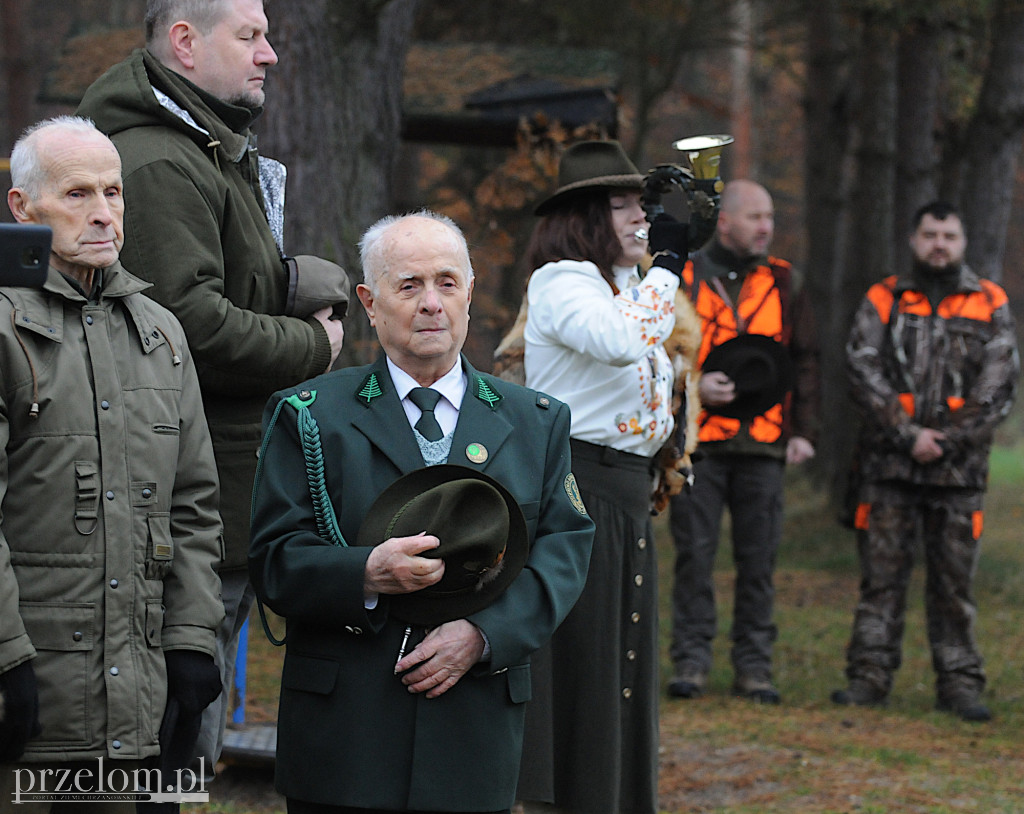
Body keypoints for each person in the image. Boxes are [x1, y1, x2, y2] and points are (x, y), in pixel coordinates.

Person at [248, 211, 595, 814]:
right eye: (409, 286)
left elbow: (563, 554)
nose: (431, 304)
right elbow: (273, 559)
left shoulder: (536, 420)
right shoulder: (310, 414)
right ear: (370, 302)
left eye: (447, 283)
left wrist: (486, 635)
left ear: (470, 294)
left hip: (474, 729)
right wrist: (364, 573)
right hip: (347, 735)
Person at [77, 0, 348, 768]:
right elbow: (189, 328)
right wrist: (312, 341)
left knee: (183, 735)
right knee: (167, 742)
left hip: (211, 498)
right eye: (251, 36)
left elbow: (208, 289)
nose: (270, 56)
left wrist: (282, 279)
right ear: (186, 43)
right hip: (181, 509)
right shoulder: (161, 160)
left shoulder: (203, 150)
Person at [0, 117, 223, 809]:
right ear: (22, 206)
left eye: (114, 192)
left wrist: (191, 644)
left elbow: (193, 506)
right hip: (34, 691)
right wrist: (5, 658)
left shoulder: (162, 333)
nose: (103, 213)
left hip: (144, 693)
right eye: (77, 194)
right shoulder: (4, 329)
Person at [515, 140, 696, 814]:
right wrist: (670, 265)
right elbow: (623, 341)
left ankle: (614, 795)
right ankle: (571, 797)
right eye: (621, 206)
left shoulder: (622, 286)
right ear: (585, 217)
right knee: (588, 662)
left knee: (623, 659)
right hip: (578, 490)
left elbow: (653, 360)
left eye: (641, 206)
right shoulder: (560, 281)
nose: (639, 220)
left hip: (623, 493)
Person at [831, 200, 1019, 722]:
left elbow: (999, 384)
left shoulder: (989, 300)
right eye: (931, 234)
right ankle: (868, 678)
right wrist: (908, 434)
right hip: (890, 469)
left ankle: (960, 685)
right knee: (881, 583)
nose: (940, 243)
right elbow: (860, 367)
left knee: (954, 586)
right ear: (914, 240)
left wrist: (948, 441)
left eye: (949, 235)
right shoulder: (884, 297)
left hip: (959, 476)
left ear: (963, 243)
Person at [666, 179, 820, 705]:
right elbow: (657, 351)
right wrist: (694, 385)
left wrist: (803, 432)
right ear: (725, 221)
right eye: (756, 217)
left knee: (759, 562)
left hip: (765, 447)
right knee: (695, 557)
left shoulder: (783, 280)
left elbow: (805, 358)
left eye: (770, 217)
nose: (766, 227)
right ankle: (690, 661)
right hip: (699, 445)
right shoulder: (680, 275)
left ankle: (755, 668)